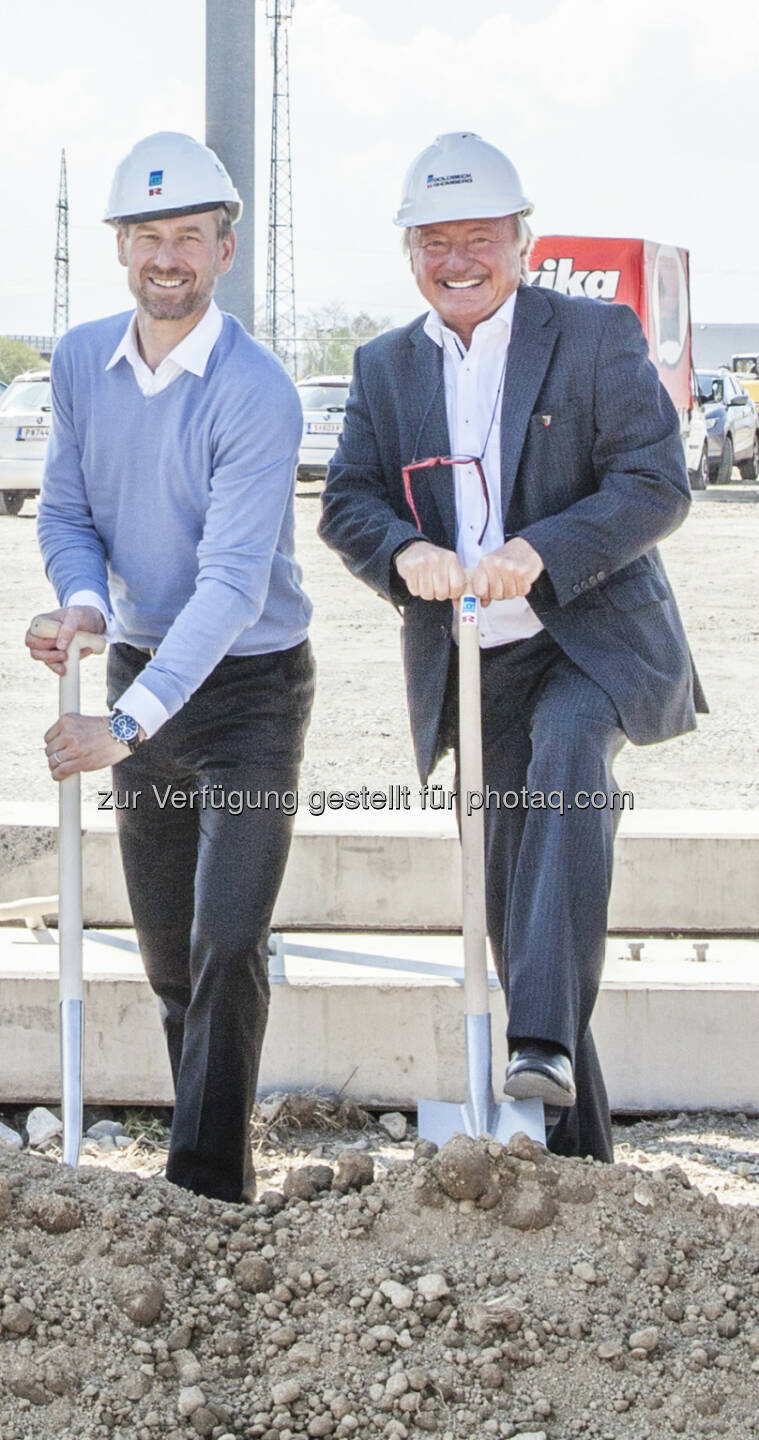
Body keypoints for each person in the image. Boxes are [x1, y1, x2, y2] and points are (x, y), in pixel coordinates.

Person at [319, 131, 706, 1162]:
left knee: (570, 758)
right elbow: (349, 501)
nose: (457, 259)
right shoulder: (385, 366)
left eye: (478, 236)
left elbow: (655, 482)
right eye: (435, 240)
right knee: (515, 901)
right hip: (474, 662)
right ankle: (576, 1159)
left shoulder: (593, 335)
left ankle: (534, 1037)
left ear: (521, 241)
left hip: (590, 642)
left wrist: (539, 549)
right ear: (410, 253)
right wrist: (407, 556)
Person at [26, 132, 314, 1203]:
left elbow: (234, 585)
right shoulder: (78, 361)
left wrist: (126, 726)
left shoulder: (256, 390)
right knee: (167, 961)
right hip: (141, 663)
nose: (168, 256)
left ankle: (201, 1192)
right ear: (119, 246)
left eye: (190, 235)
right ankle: (220, 1154)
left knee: (228, 936)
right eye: (149, 235)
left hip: (250, 691)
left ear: (224, 251)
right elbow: (67, 511)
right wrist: (87, 603)